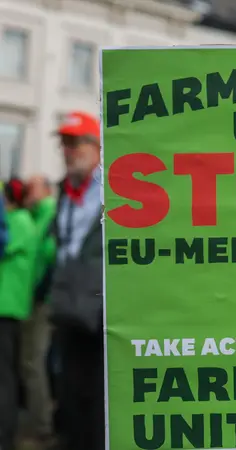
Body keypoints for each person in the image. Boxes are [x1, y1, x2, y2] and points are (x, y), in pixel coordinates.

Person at [47, 111, 104, 450]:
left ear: (96, 146)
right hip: (68, 311)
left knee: (97, 397)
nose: (68, 151)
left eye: (75, 143)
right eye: (65, 144)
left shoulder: (111, 188)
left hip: (99, 315)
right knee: (69, 394)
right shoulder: (65, 193)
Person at [17, 175, 57, 446]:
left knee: (34, 362)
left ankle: (41, 425)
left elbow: (48, 256)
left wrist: (38, 292)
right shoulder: (38, 216)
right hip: (39, 298)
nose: (26, 194)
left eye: (31, 189)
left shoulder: (48, 214)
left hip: (43, 300)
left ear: (43, 190)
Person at [0, 178, 38, 450]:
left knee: (5, 378)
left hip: (7, 307)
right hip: (9, 306)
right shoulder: (23, 220)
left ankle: (6, 435)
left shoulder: (20, 221)